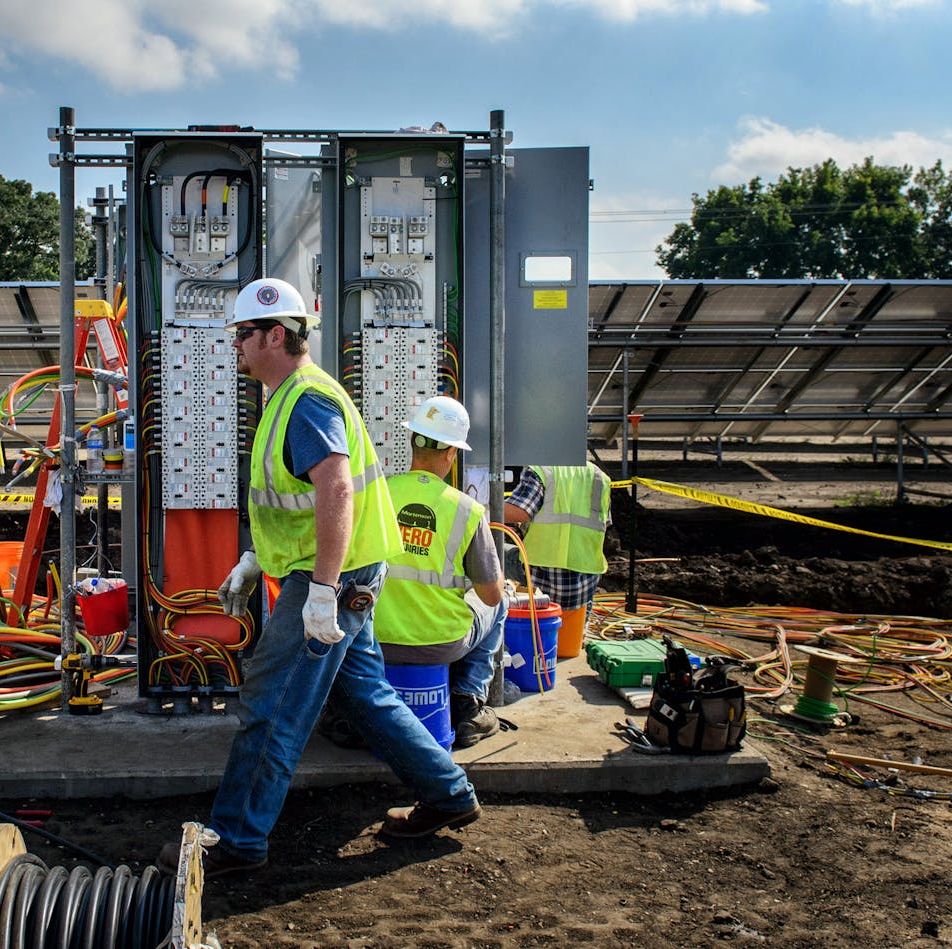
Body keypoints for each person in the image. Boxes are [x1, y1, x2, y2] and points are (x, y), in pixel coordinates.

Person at [157, 277, 480, 879]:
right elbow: (304, 496)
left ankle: (236, 839)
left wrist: (324, 592)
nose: (236, 345)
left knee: (271, 706)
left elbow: (335, 489)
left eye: (243, 334)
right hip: (333, 572)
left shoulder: (305, 399)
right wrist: (259, 557)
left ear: (275, 334)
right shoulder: (291, 396)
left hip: (330, 578)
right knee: (366, 696)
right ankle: (450, 794)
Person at [368, 395, 507, 748]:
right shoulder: (467, 510)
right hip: (440, 643)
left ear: (412, 441)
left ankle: (348, 712)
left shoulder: (377, 495)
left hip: (376, 641)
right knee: (501, 602)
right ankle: (468, 703)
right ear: (451, 453)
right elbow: (490, 595)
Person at [502, 462, 612, 657]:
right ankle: (576, 635)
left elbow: (520, 511)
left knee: (494, 552)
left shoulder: (541, 470)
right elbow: (605, 522)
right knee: (572, 629)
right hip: (586, 576)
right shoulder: (599, 475)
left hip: (543, 573)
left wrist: (478, 508)